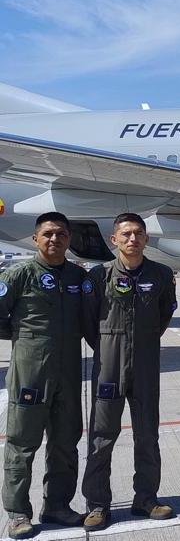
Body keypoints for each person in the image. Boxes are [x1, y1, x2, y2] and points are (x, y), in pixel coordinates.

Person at [80, 213, 177, 531]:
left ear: (146, 238)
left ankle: (146, 498)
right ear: (114, 239)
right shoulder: (99, 275)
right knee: (101, 437)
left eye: (138, 233)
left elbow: (163, 316)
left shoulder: (162, 275)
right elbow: (88, 322)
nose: (132, 239)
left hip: (146, 365)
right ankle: (97, 505)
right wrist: (110, 345)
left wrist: (141, 343)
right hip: (108, 367)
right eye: (126, 234)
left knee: (148, 435)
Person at [0, 212, 87, 539]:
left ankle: (57, 506)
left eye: (61, 234)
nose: (54, 239)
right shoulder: (20, 274)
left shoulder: (78, 277)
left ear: (69, 239)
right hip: (30, 372)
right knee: (22, 444)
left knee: (66, 442)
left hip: (68, 372)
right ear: (35, 238)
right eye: (48, 234)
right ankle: (18, 512)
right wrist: (24, 338)